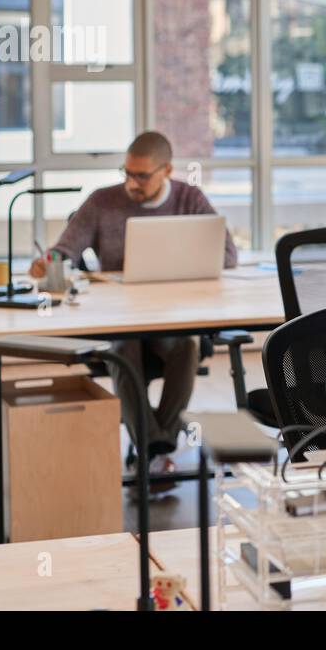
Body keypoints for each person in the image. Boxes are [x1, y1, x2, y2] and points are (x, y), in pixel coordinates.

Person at [31, 130, 238, 476]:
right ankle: (155, 446)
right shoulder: (102, 201)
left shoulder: (190, 199)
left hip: (175, 317)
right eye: (127, 173)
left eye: (142, 175)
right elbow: (64, 249)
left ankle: (155, 444)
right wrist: (47, 261)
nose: (132, 182)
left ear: (167, 170)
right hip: (121, 320)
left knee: (188, 345)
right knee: (122, 350)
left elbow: (228, 256)